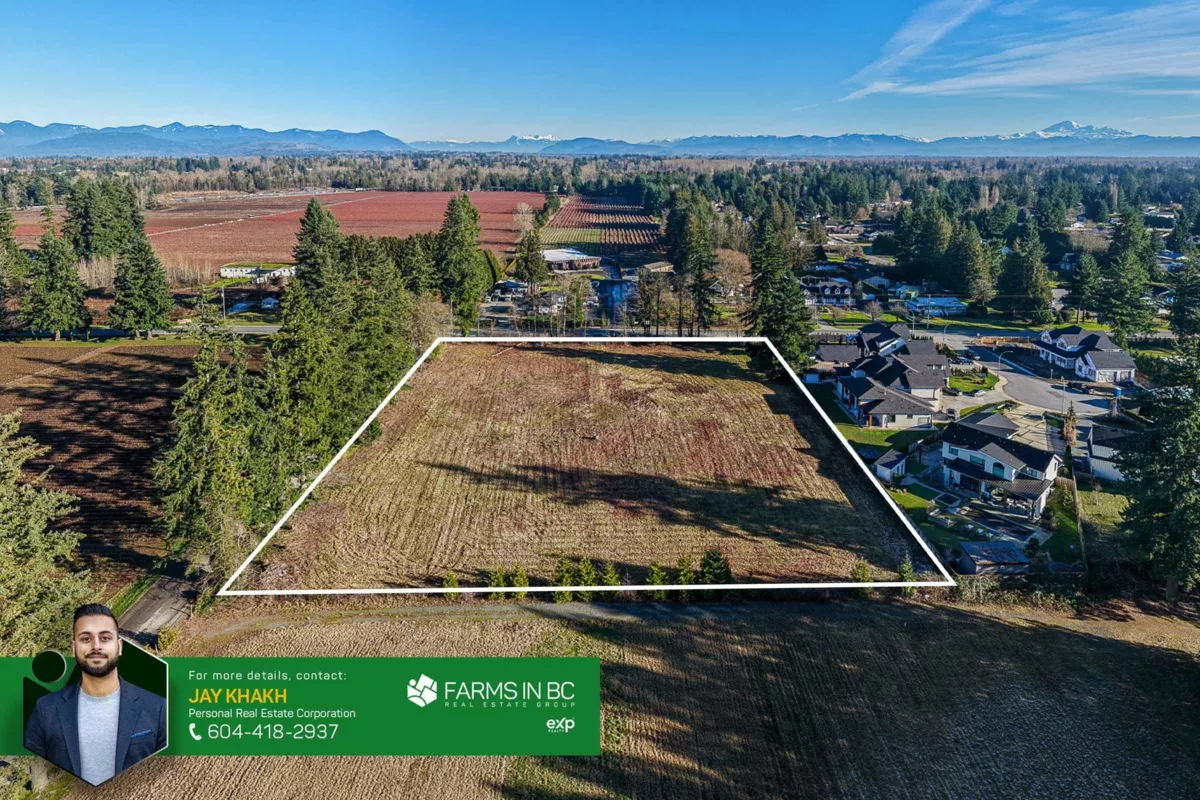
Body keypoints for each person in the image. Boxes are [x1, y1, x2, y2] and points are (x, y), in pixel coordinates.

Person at [24, 604, 166, 786]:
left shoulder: (157, 707)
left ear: (119, 646)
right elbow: (33, 771)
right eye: (86, 639)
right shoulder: (45, 709)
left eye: (105, 638)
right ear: (74, 648)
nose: (96, 646)